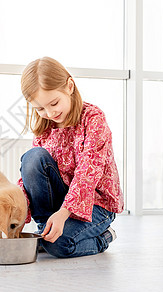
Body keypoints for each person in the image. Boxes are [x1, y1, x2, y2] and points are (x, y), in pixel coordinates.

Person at [17, 57, 124, 258]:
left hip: (96, 205)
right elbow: (28, 177)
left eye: (54, 103)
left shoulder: (93, 119)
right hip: (58, 206)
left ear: (69, 86)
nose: (49, 112)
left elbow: (87, 174)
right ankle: (46, 228)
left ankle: (104, 237)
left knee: (59, 246)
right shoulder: (45, 127)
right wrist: (17, 216)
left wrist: (64, 213)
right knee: (32, 157)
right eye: (40, 108)